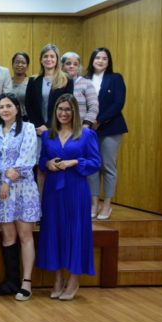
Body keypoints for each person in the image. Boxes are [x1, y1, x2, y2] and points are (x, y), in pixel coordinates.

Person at [36, 94, 101, 300]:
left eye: (68, 109)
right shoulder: (48, 135)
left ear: (75, 112)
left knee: (75, 232)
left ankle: (73, 280)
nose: (63, 113)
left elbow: (95, 162)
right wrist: (47, 164)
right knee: (53, 232)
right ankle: (57, 279)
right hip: (53, 191)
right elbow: (42, 160)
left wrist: (74, 162)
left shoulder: (86, 134)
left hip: (76, 190)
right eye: (60, 109)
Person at [0, 93, 40, 301]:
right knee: (8, 236)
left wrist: (7, 180)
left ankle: (26, 282)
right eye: (1, 107)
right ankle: (11, 280)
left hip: (22, 189)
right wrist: (3, 173)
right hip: (0, 191)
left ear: (17, 108)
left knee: (25, 235)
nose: (5, 110)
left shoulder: (28, 128)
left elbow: (27, 159)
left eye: (9, 106)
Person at [85, 48, 126, 221]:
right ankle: (94, 203)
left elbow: (118, 103)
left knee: (108, 166)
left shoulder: (115, 78)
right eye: (97, 57)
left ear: (108, 62)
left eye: (104, 58)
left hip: (110, 128)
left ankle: (107, 204)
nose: (100, 61)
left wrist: (99, 120)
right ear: (92, 60)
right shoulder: (84, 79)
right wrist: (88, 123)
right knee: (92, 166)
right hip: (88, 129)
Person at [25, 44, 74, 138]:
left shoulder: (67, 80)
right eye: (45, 56)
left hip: (59, 128)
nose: (49, 59)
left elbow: (67, 106)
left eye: (52, 56)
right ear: (41, 60)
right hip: (38, 129)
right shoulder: (33, 81)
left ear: (57, 60)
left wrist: (48, 126)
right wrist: (38, 125)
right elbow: (29, 105)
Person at [61, 52, 98, 128]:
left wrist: (86, 124)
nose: (72, 66)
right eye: (68, 63)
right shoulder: (57, 84)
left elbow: (93, 107)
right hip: (60, 129)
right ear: (62, 66)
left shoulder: (87, 83)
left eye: (75, 64)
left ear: (79, 67)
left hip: (80, 128)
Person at [10, 52, 30, 119]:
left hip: (27, 120)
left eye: (23, 63)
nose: (20, 65)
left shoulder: (32, 83)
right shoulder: (7, 82)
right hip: (9, 119)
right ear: (12, 64)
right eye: (17, 62)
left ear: (27, 65)